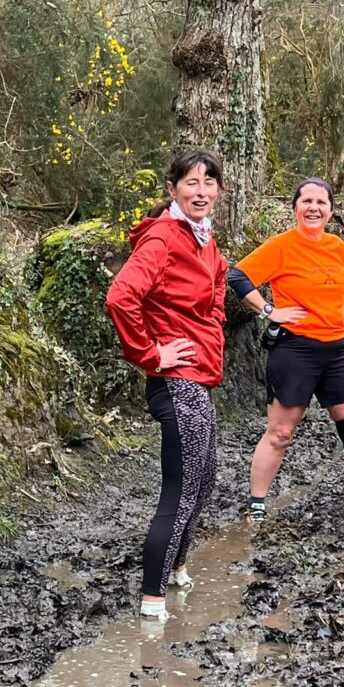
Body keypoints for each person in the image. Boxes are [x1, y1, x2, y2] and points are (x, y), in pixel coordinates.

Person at [106, 149, 227, 621]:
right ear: (173, 188)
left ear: (218, 190)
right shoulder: (163, 237)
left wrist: (211, 323)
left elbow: (216, 289)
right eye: (191, 182)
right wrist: (152, 354)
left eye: (209, 182)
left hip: (199, 378)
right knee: (180, 489)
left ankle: (176, 567)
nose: (201, 191)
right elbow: (121, 297)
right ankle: (152, 600)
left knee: (205, 480)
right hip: (175, 383)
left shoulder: (204, 239)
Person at [227, 177, 344, 524]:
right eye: (306, 201)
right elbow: (238, 277)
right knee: (281, 433)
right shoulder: (281, 246)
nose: (314, 208)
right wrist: (269, 311)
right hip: (294, 350)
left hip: (336, 352)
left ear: (331, 210)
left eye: (321, 202)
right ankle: (257, 503)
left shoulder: (337, 247)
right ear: (295, 207)